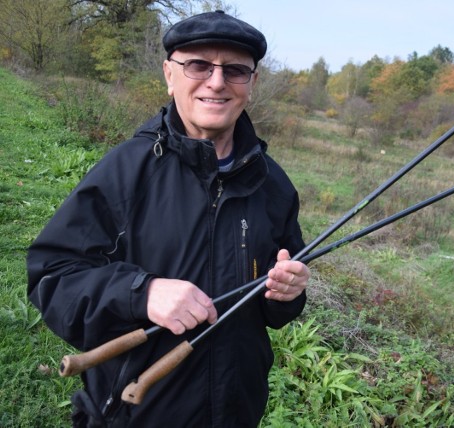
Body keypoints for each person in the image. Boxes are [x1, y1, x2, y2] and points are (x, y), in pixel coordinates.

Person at [27, 10, 310, 427]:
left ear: (252, 83)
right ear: (169, 74)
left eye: (234, 70)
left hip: (237, 413)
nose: (216, 82)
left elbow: (278, 311)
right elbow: (51, 278)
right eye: (198, 65)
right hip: (136, 414)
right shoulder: (125, 172)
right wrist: (142, 293)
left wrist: (289, 293)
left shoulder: (274, 185)